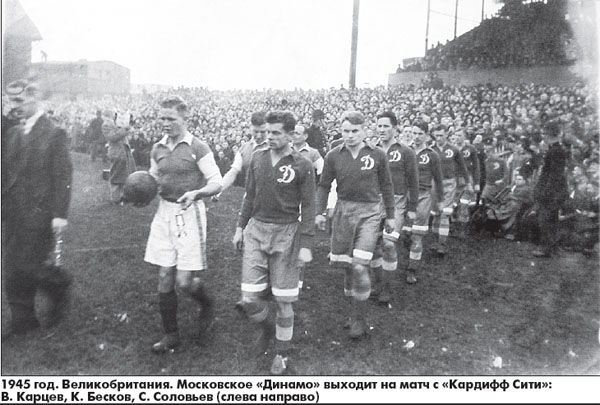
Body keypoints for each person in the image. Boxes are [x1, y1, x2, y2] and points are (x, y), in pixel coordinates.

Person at [232, 110, 315, 375]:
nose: (269, 137)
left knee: (284, 301)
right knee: (249, 299)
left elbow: (309, 206)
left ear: (290, 135)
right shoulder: (257, 157)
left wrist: (306, 244)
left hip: (287, 233)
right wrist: (239, 228)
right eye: (267, 132)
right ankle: (270, 329)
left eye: (276, 133)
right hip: (256, 230)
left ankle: (281, 353)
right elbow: (249, 196)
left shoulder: (303, 164)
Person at [143, 96, 223, 353]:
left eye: (171, 118)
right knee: (164, 275)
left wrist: (197, 193)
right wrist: (140, 191)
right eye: (162, 118)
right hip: (164, 213)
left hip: (189, 213)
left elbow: (217, 182)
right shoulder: (157, 148)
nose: (165, 123)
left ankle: (206, 303)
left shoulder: (197, 147)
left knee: (185, 282)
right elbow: (153, 178)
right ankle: (171, 335)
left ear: (185, 118)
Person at [1, 79, 73, 339]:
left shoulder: (54, 133)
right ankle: (23, 321)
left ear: (35, 98)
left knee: (28, 264)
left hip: (39, 212)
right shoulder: (12, 132)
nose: (14, 106)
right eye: (10, 100)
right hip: (13, 212)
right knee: (12, 267)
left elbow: (62, 175)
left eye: (19, 100)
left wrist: (59, 214)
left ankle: (58, 284)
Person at [315, 111, 395, 339]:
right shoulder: (333, 155)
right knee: (348, 266)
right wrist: (320, 212)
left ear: (364, 131)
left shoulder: (377, 154)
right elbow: (324, 185)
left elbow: (387, 186)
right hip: (344, 212)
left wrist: (390, 215)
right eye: (346, 131)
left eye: (354, 131)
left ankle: (360, 319)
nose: (350, 135)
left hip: (370, 213)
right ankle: (353, 313)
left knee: (360, 266)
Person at [369, 111, 418, 304]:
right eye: (379, 126)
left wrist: (412, 208)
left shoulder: (406, 152)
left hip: (397, 203)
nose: (382, 130)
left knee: (388, 245)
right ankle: (378, 284)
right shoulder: (371, 150)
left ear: (395, 128)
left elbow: (413, 181)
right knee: (373, 246)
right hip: (375, 202)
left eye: (386, 126)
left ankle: (387, 289)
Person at [406, 120, 444, 284]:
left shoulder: (432, 155)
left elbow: (439, 179)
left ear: (427, 135)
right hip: (404, 195)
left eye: (420, 134)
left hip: (423, 196)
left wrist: (440, 200)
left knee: (417, 236)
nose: (416, 137)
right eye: (414, 133)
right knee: (402, 233)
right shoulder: (405, 151)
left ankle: (411, 270)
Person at [430, 124, 471, 256]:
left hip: (449, 183)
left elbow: (463, 167)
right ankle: (435, 241)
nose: (439, 138)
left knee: (445, 213)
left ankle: (442, 245)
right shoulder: (430, 149)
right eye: (436, 135)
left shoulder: (453, 150)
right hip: (434, 184)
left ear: (447, 134)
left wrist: (468, 183)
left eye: (441, 135)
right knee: (436, 214)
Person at [532, 121, 570, 258]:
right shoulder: (556, 149)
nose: (543, 136)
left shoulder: (555, 151)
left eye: (544, 133)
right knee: (551, 220)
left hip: (551, 192)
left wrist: (545, 192)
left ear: (549, 134)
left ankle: (546, 248)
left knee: (545, 220)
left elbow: (554, 175)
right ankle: (552, 248)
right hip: (554, 191)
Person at [219, 111, 269, 192]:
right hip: (250, 196)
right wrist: (219, 189)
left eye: (263, 132)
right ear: (250, 128)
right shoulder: (244, 148)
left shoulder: (278, 148)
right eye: (256, 131)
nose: (259, 136)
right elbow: (233, 172)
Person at [452, 128, 481, 238]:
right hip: (453, 180)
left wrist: (476, 183)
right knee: (453, 205)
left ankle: (463, 230)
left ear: (464, 137)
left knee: (464, 204)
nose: (457, 137)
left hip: (467, 180)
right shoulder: (451, 148)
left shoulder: (471, 149)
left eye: (460, 135)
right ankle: (454, 227)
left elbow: (476, 166)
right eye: (456, 135)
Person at [104, 111, 137, 205]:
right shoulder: (106, 125)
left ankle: (122, 197)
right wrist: (124, 129)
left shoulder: (117, 125)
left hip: (124, 152)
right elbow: (112, 137)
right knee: (116, 175)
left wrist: (127, 127)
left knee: (125, 175)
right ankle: (116, 198)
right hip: (116, 153)